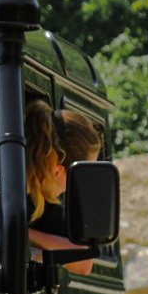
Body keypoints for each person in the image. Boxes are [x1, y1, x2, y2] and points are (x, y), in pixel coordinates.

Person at [25, 102, 104, 276]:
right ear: (58, 170)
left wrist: (24, 234)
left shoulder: (48, 209)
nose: (85, 183)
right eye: (83, 174)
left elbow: (83, 262)